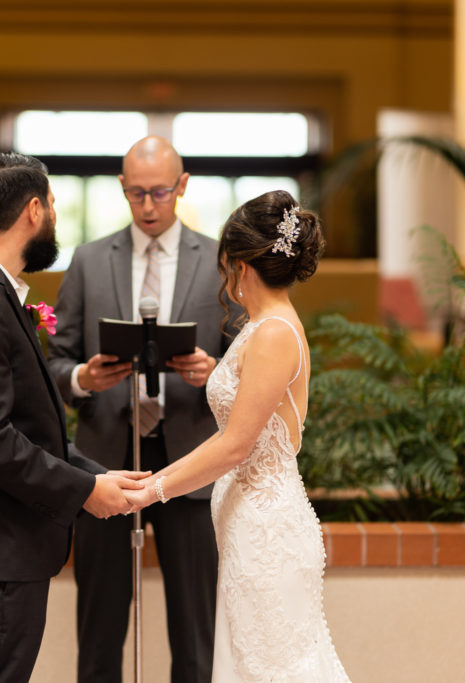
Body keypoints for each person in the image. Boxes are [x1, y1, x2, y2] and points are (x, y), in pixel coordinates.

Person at [0, 151, 147, 683]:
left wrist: (91, 473)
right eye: (55, 207)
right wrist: (83, 492)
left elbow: (21, 426)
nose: (56, 219)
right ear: (34, 210)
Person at [126, 190, 352, 682]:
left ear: (240, 265)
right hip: (247, 529)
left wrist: (152, 488)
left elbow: (234, 444)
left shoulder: (272, 333)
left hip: (266, 534)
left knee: (275, 669)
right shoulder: (261, 328)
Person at [47, 136, 241, 682]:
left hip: (192, 461)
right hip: (106, 459)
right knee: (100, 628)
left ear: (182, 186)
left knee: (195, 630)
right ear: (122, 189)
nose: (149, 206)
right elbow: (55, 362)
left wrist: (217, 372)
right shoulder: (87, 260)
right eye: (136, 194)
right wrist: (84, 378)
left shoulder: (218, 260)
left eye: (159, 192)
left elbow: (246, 358)